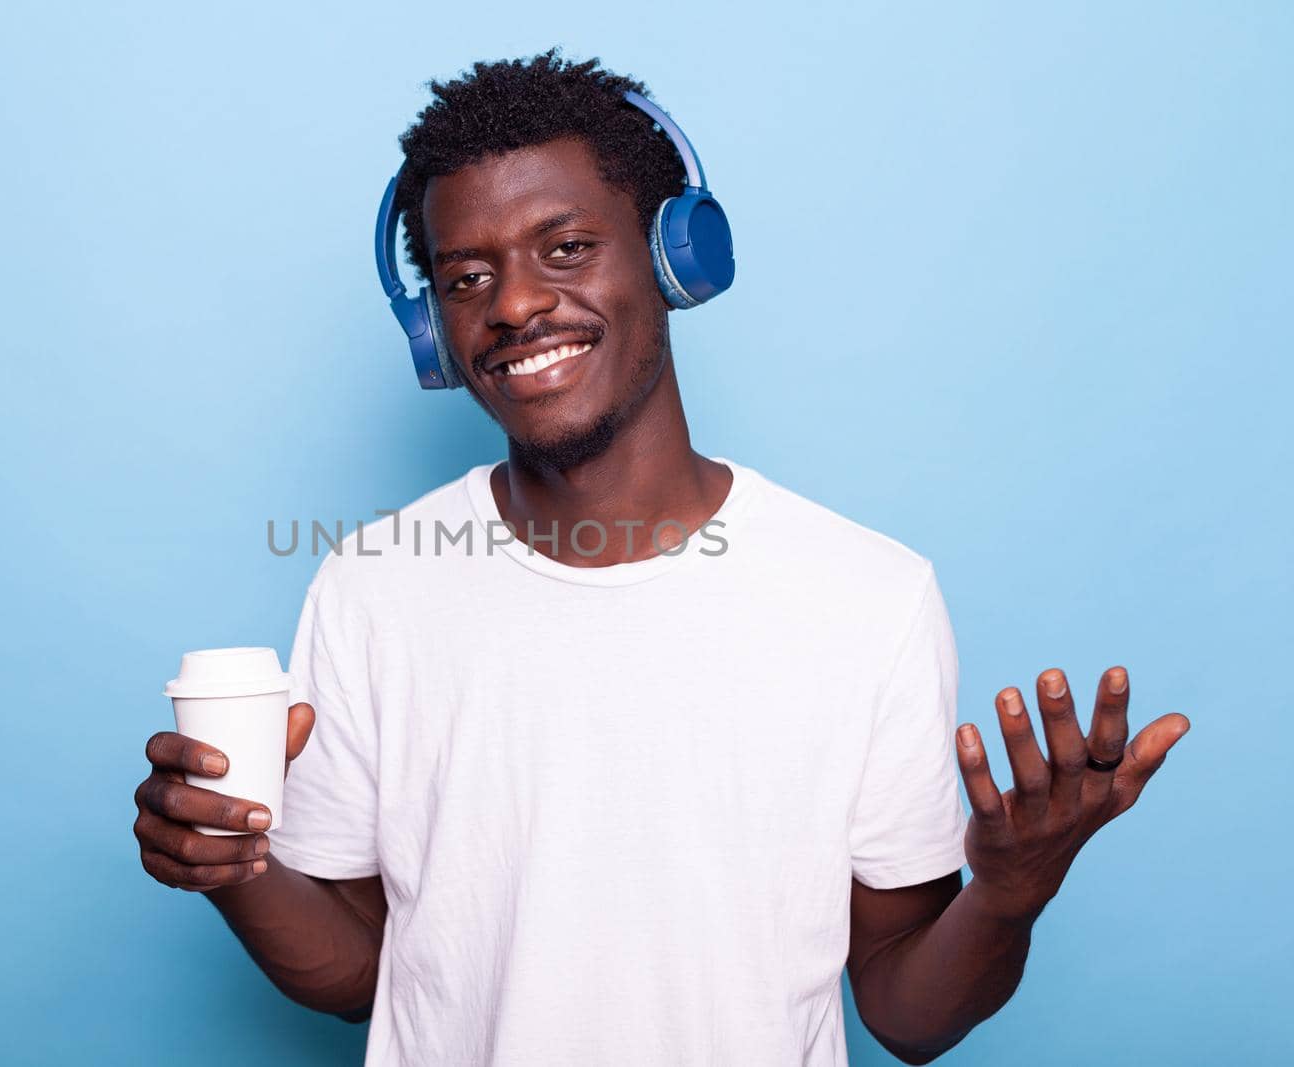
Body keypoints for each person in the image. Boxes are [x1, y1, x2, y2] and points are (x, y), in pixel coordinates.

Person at [132, 49, 1190, 1066]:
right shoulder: (371, 585)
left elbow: (905, 1012)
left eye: (566, 247)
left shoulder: (868, 595)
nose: (512, 304)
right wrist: (235, 870)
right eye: (464, 277)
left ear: (675, 257)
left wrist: (1007, 895)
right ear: (432, 329)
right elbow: (372, 970)